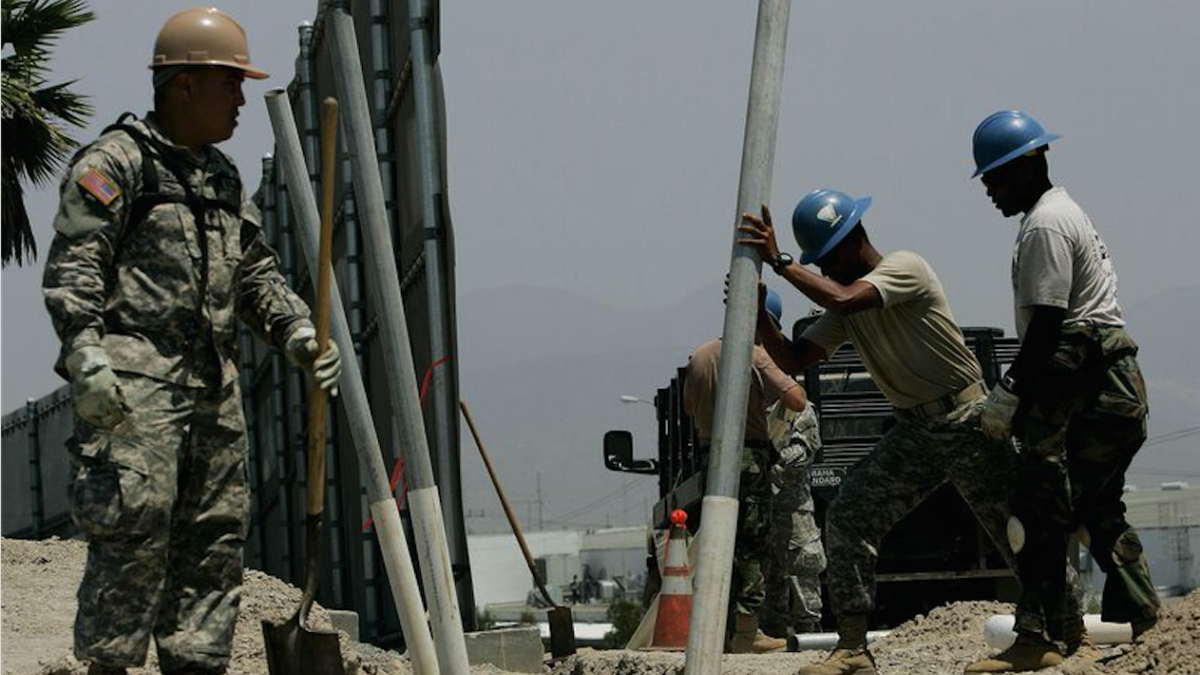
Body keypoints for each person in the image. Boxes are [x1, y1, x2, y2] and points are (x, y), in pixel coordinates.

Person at [41, 8, 341, 675]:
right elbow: (74, 264)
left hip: (212, 391)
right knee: (133, 533)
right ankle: (109, 667)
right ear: (182, 86)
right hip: (133, 390)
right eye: (228, 83)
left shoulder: (222, 180)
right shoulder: (114, 164)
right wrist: (84, 350)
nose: (240, 98)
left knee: (212, 541)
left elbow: (254, 272)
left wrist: (296, 329)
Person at [737, 189, 1081, 674]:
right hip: (914, 432)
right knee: (850, 516)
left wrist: (781, 263)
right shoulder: (842, 308)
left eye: (827, 258)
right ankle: (854, 648)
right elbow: (794, 359)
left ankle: (1063, 636)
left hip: (967, 421)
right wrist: (758, 315)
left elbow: (843, 296)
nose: (826, 269)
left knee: (1018, 531)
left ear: (854, 239)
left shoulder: (904, 268)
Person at [964, 111, 1158, 672]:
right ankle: (1143, 625)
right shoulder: (1062, 213)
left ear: (1027, 167)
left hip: (1088, 386)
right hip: (1111, 389)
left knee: (1037, 509)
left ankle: (1036, 636)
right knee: (1096, 510)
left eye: (995, 178)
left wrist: (1010, 395)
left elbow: (1052, 328)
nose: (990, 192)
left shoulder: (1046, 225)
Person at [683, 287, 808, 654]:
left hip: (710, 460)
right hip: (747, 461)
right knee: (752, 545)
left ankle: (715, 630)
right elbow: (796, 401)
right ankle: (746, 633)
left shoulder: (700, 355)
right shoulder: (754, 355)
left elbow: (690, 407)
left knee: (721, 544)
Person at [758, 311, 826, 639]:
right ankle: (768, 631)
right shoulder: (752, 406)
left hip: (793, 505)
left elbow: (803, 450)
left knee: (803, 565)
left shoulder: (796, 407)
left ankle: (807, 628)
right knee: (766, 571)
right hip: (762, 507)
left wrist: (772, 464)